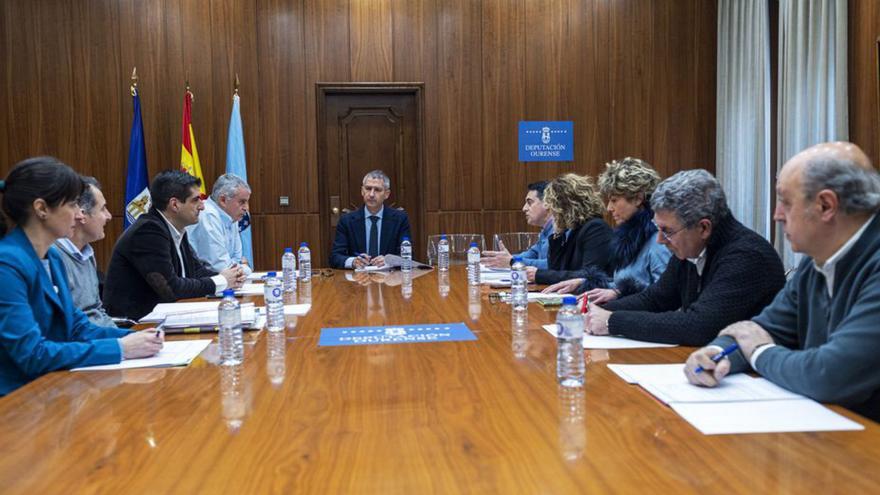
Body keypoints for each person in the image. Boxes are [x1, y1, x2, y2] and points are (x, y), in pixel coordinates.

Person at [685, 142, 880, 421]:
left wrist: (760, 352)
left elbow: (830, 375)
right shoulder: (816, 262)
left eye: (786, 202)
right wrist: (716, 353)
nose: (777, 215)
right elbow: (763, 328)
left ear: (826, 205)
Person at [0, 157, 162, 395]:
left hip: (54, 388)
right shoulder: (7, 265)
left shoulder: (52, 258)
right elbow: (33, 354)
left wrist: (136, 337)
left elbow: (76, 327)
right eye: (73, 204)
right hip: (18, 401)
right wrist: (120, 348)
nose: (78, 214)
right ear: (42, 209)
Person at [584, 169, 785, 346]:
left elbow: (699, 326)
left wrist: (612, 321)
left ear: (703, 227)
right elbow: (656, 299)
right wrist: (594, 311)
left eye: (667, 231)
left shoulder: (747, 256)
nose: (661, 240)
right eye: (658, 229)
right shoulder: (691, 246)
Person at [104, 170, 245, 320]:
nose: (202, 206)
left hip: (166, 319)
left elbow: (196, 272)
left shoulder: (176, 227)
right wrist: (222, 281)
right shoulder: (147, 232)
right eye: (196, 200)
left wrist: (230, 278)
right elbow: (171, 288)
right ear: (175, 204)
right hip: (136, 326)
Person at [543, 158, 671, 298]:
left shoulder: (659, 241)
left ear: (638, 198)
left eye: (614, 200)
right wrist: (583, 282)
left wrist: (617, 294)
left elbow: (667, 298)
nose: (609, 208)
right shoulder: (627, 240)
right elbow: (620, 284)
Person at [54, 176, 117, 327]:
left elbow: (97, 311)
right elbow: (68, 326)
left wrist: (127, 337)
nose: (109, 216)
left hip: (99, 341)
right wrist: (120, 344)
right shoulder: (52, 257)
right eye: (102, 209)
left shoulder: (87, 253)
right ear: (81, 214)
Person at [531, 173, 612, 286]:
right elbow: (557, 269)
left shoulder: (595, 228)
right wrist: (557, 235)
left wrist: (539, 275)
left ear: (565, 206)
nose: (552, 212)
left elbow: (589, 276)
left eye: (553, 206)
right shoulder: (574, 229)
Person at [329, 170, 412, 269]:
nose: (371, 194)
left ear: (387, 194)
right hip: (357, 280)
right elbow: (335, 257)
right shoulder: (347, 221)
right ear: (362, 191)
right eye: (368, 189)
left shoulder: (400, 219)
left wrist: (389, 261)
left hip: (389, 280)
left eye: (377, 190)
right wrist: (353, 262)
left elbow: (407, 257)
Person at [187, 173, 253, 276]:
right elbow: (220, 267)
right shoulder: (208, 215)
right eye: (242, 202)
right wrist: (245, 269)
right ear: (223, 200)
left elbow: (237, 259)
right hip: (201, 284)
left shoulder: (231, 216)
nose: (246, 208)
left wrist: (240, 268)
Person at [482, 180, 554, 269]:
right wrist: (503, 259)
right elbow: (533, 253)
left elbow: (552, 265)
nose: (524, 208)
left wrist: (512, 261)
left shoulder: (562, 230)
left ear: (548, 203)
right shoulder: (546, 229)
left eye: (529, 202)